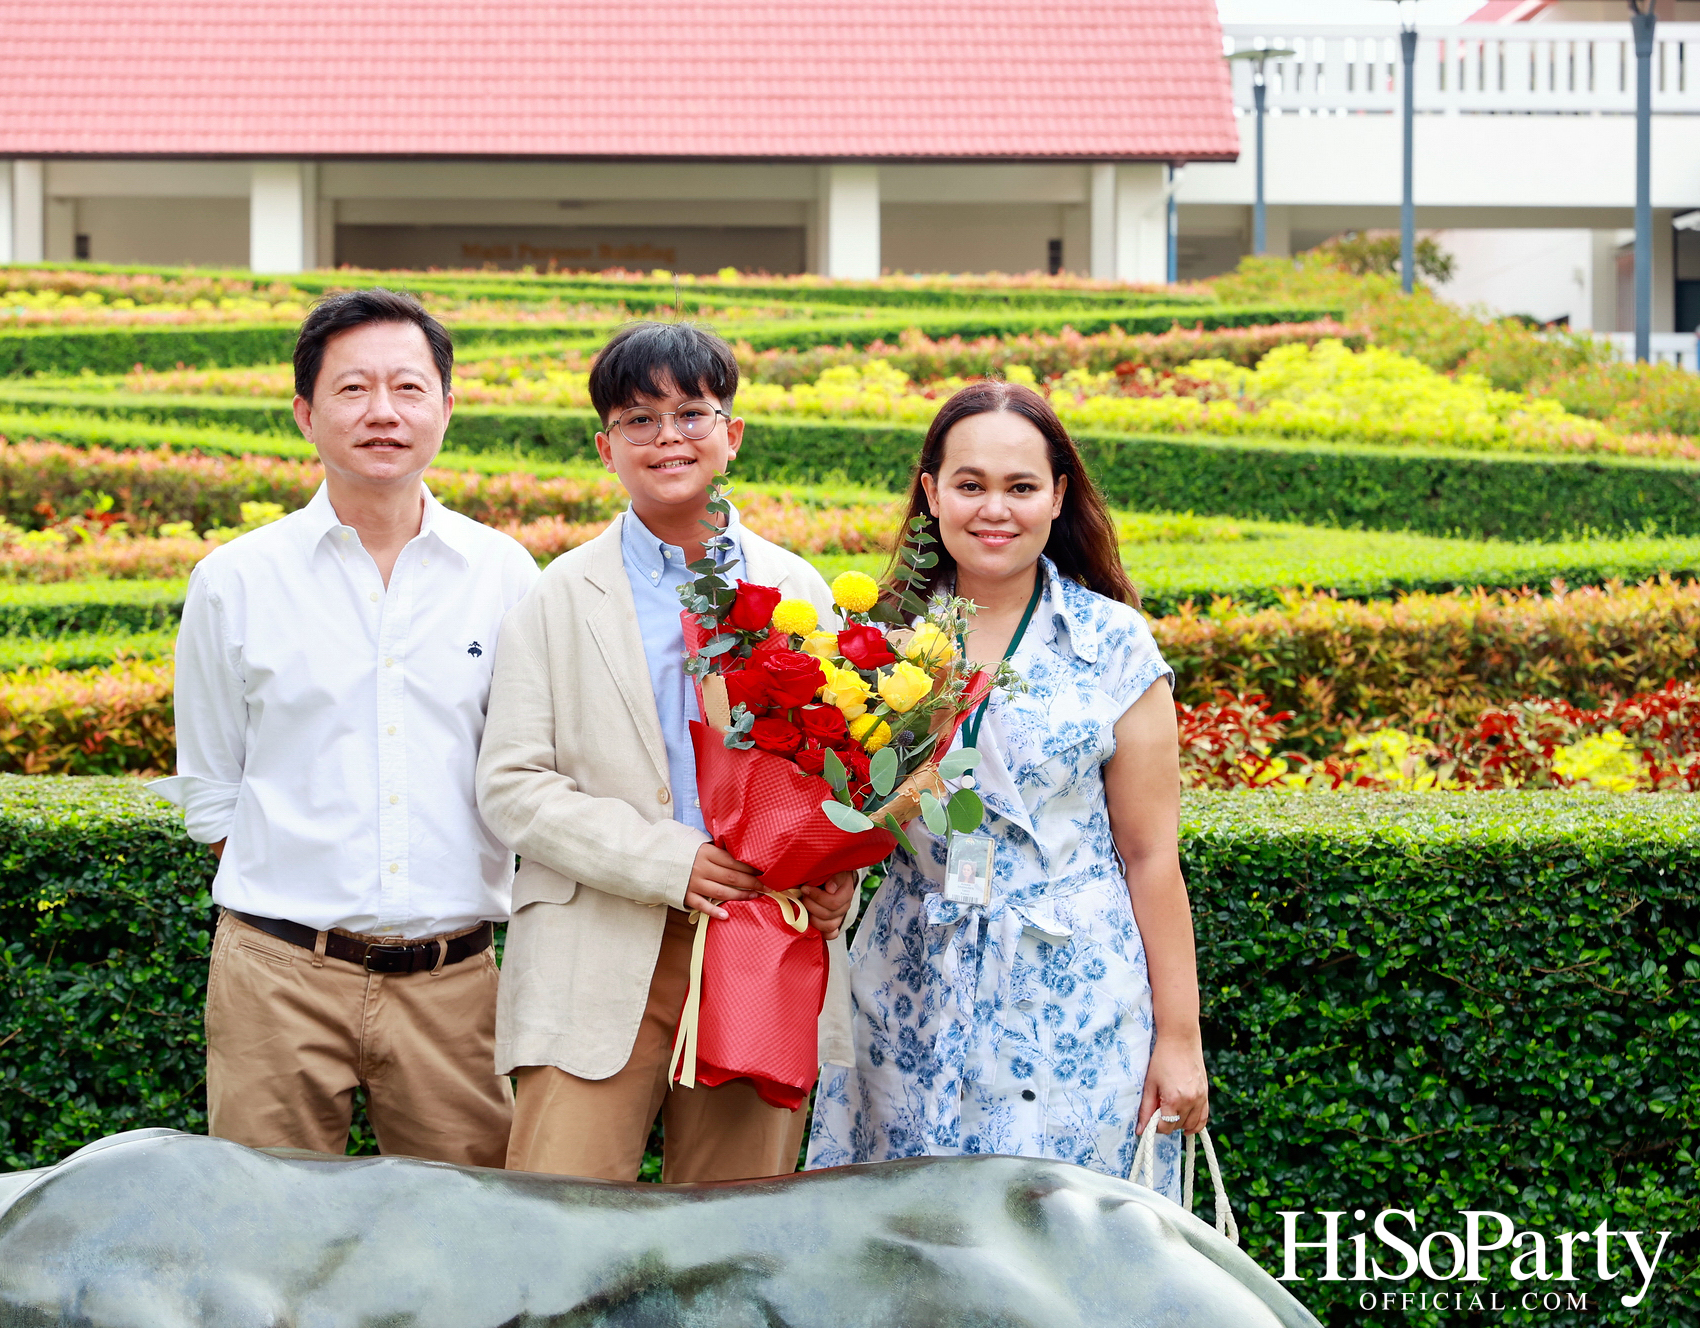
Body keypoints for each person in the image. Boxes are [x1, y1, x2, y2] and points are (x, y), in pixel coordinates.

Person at [150, 288, 539, 1166]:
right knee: (271, 1243)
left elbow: (531, 763)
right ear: (306, 413)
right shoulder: (236, 578)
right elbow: (212, 787)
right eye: (352, 390)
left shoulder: (503, 573)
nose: (383, 413)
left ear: (446, 405)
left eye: (408, 388)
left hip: (456, 982)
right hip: (278, 977)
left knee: (463, 1248)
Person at [476, 321, 857, 1184]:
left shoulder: (800, 590)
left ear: (733, 435)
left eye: (692, 412)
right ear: (605, 446)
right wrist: (667, 860)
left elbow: (842, 769)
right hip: (596, 947)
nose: (668, 437)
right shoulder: (557, 595)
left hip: (762, 942)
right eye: (639, 420)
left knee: (737, 1238)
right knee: (557, 1232)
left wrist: (837, 869)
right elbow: (512, 788)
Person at [807, 380, 1208, 1196]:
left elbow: (1149, 854)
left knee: (1071, 1237)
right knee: (909, 1238)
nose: (995, 509)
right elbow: (845, 825)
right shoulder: (876, 646)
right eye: (970, 484)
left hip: (1076, 993)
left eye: (1021, 487)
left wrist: (1180, 1038)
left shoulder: (1111, 644)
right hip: (910, 979)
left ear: (1059, 496)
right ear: (931, 492)